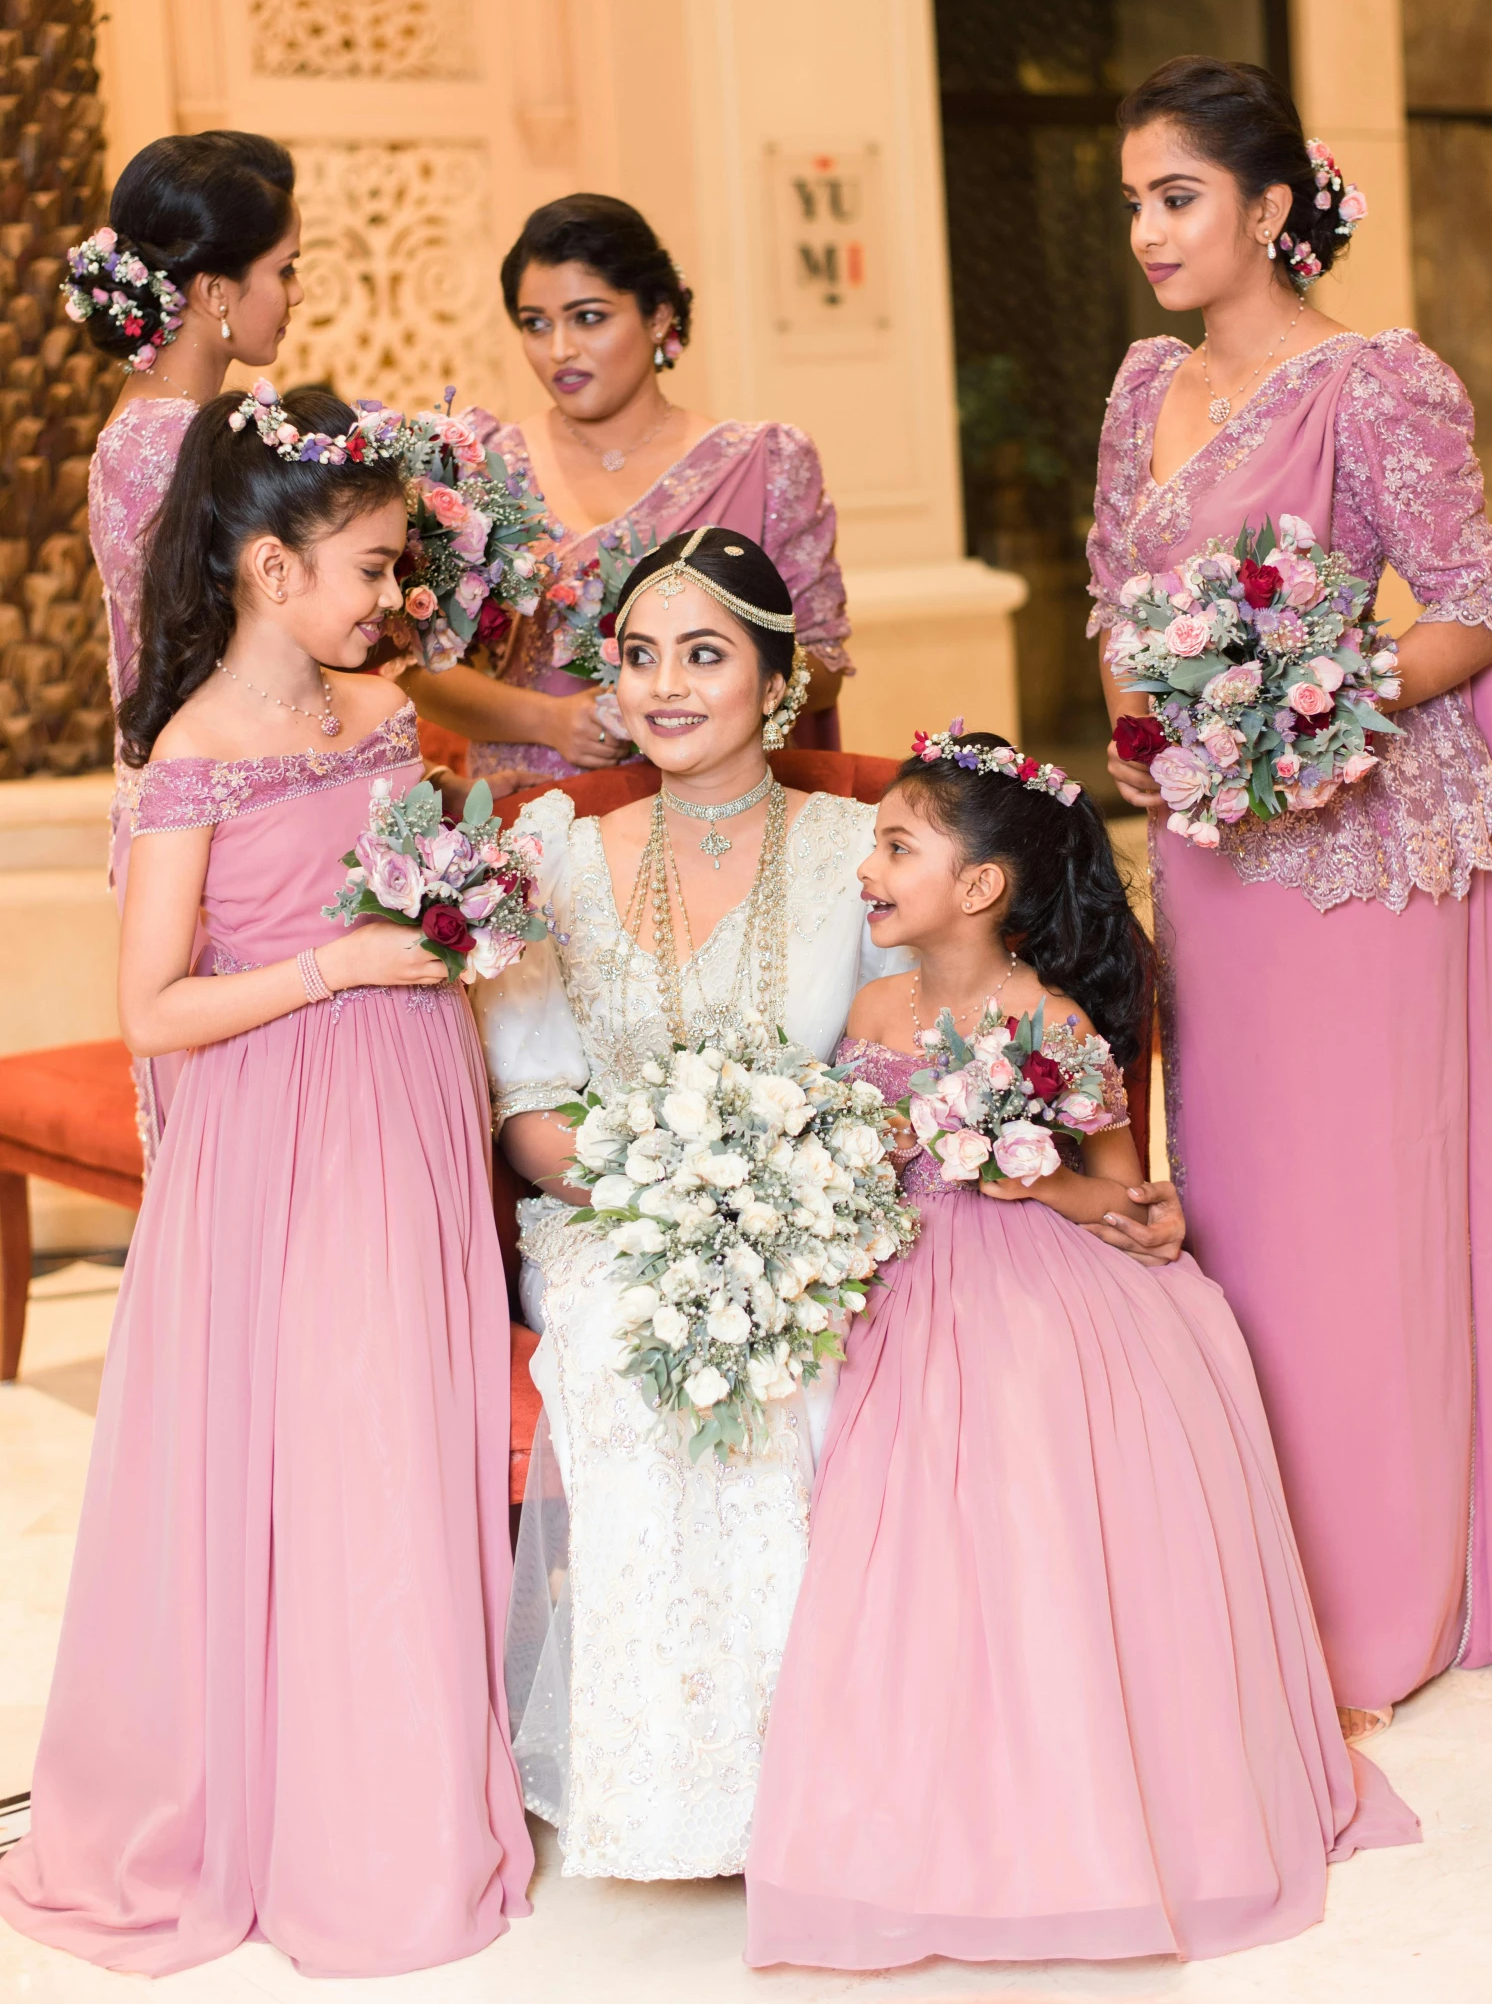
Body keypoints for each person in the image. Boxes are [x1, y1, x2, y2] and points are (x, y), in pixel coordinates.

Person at [0, 388, 531, 1976]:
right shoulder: (190, 757)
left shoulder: (378, 715)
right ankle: (293, 1811)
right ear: (265, 569)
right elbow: (154, 1007)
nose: (391, 598)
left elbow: (416, 875)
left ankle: (403, 1793)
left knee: (404, 1439)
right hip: (284, 1123)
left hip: (411, 1101)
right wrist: (342, 968)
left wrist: (453, 923)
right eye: (369, 567)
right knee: (327, 1441)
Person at [745, 731, 1418, 1972]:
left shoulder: (1046, 1019)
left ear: (982, 884)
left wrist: (1022, 1177)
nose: (868, 869)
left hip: (1026, 1281)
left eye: (896, 845)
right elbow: (852, 1145)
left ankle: (1062, 1807)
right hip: (897, 1271)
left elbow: (1119, 1197)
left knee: (1013, 1457)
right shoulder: (874, 1005)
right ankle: (925, 1803)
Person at [1088, 56, 1492, 1732]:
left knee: (1359, 1218)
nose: (1143, 229)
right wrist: (1155, 736)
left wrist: (1310, 710)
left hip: (1355, 864)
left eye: (1175, 194)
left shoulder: (1376, 382)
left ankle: (1385, 1593)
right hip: (1210, 859)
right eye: (1133, 198)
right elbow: (1112, 597)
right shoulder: (1143, 387)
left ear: (1268, 207)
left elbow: (1476, 601)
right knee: (1243, 1211)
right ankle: (1260, 1585)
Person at [471, 526, 903, 1880]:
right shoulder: (556, 854)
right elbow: (530, 1109)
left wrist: (788, 1204)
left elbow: (908, 1052)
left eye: (704, 655)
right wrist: (659, 1201)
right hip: (607, 1223)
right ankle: (672, 1788)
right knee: (624, 1347)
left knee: (814, 1363)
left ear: (777, 682)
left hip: (818, 1216)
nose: (666, 685)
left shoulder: (861, 849)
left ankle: (836, 1770)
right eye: (642, 655)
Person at [404, 194, 852, 779]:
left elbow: (823, 666)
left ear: (658, 314)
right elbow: (415, 672)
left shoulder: (764, 465)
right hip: (534, 813)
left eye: (588, 317)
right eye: (536, 324)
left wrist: (687, 682)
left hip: (708, 804)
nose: (560, 349)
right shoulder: (477, 464)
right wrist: (548, 720)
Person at [78, 129, 303, 1160]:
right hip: (222, 818)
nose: (292, 296)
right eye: (283, 271)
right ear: (215, 291)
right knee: (252, 1134)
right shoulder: (186, 443)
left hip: (179, 801)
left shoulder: (145, 425)